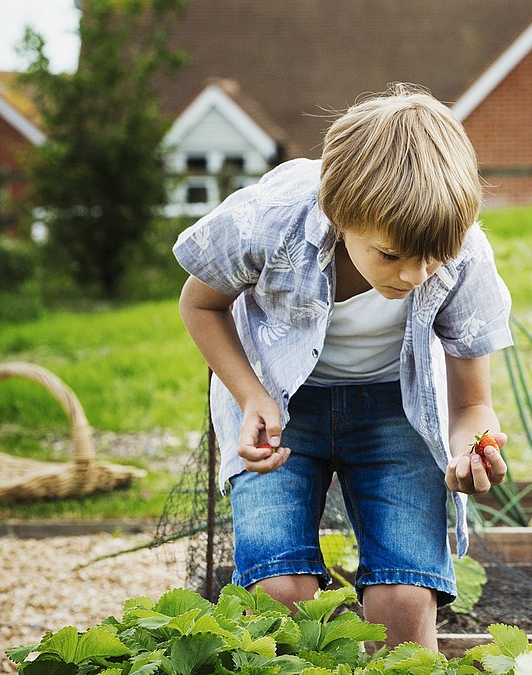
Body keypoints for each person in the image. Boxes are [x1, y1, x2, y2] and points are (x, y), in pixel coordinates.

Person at [173, 84, 513, 650]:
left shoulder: (463, 251)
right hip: (280, 406)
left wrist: (469, 447)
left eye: (434, 257)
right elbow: (199, 303)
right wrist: (251, 396)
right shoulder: (273, 220)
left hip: (395, 408)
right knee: (280, 591)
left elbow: (473, 403)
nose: (414, 276)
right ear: (340, 213)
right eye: (390, 255)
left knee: (402, 604)